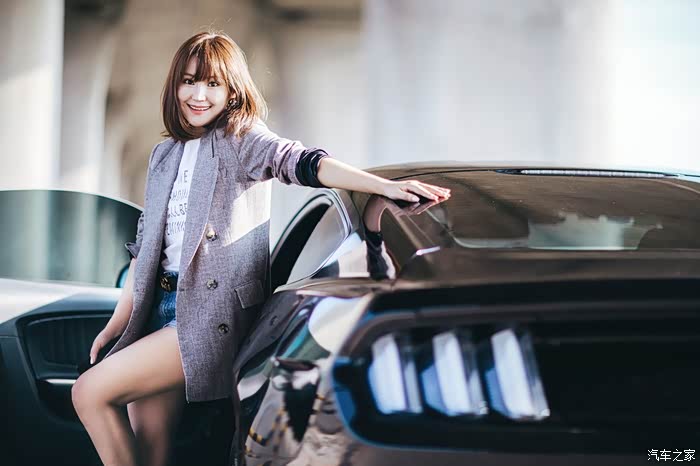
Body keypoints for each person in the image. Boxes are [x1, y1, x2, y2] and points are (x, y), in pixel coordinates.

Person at [71, 30, 450, 466]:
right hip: (157, 306)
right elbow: (144, 249)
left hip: (207, 317)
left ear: (232, 91)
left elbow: (304, 162)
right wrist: (119, 321)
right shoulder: (163, 155)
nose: (198, 95)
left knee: (90, 392)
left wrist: (382, 186)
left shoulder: (242, 139)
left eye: (212, 84)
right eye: (189, 81)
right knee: (151, 445)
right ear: (174, 85)